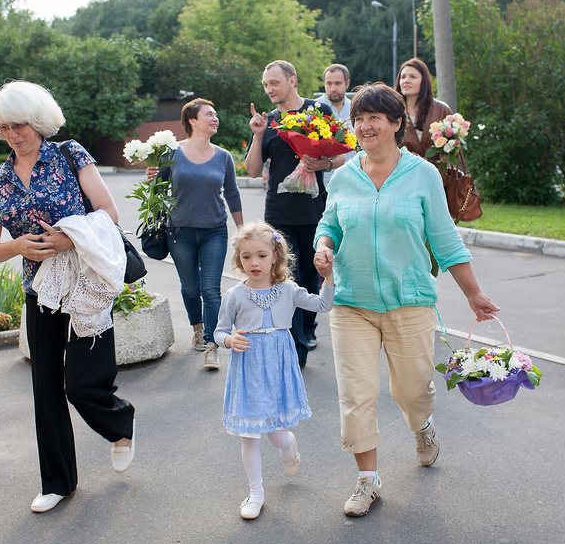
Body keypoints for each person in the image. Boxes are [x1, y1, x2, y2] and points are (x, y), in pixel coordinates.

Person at [314, 83, 499, 518]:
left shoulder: (422, 174)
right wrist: (324, 245)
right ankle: (367, 480)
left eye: (374, 117)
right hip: (352, 302)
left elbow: (445, 238)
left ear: (397, 123)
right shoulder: (343, 176)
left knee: (411, 390)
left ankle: (423, 427)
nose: (364, 126)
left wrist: (474, 293)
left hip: (409, 300)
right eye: (358, 119)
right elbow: (330, 222)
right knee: (356, 394)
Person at [0, 80, 135, 514]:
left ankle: (119, 424)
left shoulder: (70, 154)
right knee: (45, 389)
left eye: (20, 123)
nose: (13, 133)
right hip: (39, 292)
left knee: (82, 384)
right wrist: (17, 247)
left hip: (84, 284)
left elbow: (108, 212)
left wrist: (68, 238)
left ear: (39, 121)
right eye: (4, 126)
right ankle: (58, 482)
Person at [214, 221, 335, 520]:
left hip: (279, 366)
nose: (254, 263)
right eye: (246, 257)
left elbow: (323, 304)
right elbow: (218, 332)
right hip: (248, 369)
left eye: (261, 255)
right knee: (249, 435)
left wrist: (328, 277)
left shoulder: (288, 290)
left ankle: (288, 444)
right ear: (238, 259)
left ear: (276, 256)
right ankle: (256, 493)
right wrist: (229, 340)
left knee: (276, 435)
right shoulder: (235, 295)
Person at [246, 60, 345, 364]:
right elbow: (251, 171)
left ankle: (308, 327)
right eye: (265, 84)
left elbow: (343, 155)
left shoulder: (320, 111)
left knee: (312, 275)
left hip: (315, 208)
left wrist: (324, 164)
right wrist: (258, 134)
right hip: (279, 212)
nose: (269, 89)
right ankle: (295, 347)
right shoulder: (269, 121)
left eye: (274, 82)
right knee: (286, 278)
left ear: (292, 81)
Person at [146, 98, 244, 370]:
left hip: (215, 231)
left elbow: (233, 194)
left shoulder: (223, 156)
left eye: (216, 114)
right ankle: (198, 327)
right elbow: (158, 190)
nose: (215, 118)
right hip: (179, 232)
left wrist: (242, 230)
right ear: (192, 120)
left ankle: (212, 345)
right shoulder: (170, 153)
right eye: (209, 114)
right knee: (190, 288)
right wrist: (151, 176)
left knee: (211, 290)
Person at [396, 58, 453, 159]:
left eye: (413, 77)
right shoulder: (392, 111)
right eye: (403, 77)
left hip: (437, 172)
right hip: (403, 171)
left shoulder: (442, 110)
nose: (406, 81)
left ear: (424, 81)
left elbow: (454, 147)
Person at [321, 63, 355, 187]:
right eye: (329, 84)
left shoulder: (357, 109)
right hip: (322, 180)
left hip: (351, 180)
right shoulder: (313, 109)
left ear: (347, 84)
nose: (333, 88)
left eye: (338, 83)